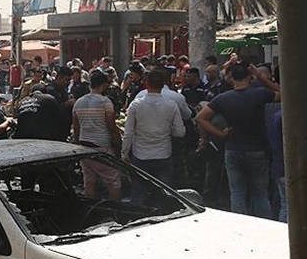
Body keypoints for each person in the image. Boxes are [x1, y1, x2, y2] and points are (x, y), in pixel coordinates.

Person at [195, 63, 279, 218]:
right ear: (249, 77)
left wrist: (220, 134)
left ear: (231, 78)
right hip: (257, 148)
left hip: (232, 147)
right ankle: (264, 224)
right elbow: (283, 93)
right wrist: (261, 77)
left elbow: (201, 118)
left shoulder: (222, 99)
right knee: (260, 193)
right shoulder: (260, 94)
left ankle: (240, 223)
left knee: (237, 192)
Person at [122, 69, 186, 205]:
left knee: (138, 193)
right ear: (163, 85)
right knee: (164, 195)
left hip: (140, 155)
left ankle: (136, 222)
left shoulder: (136, 105)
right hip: (163, 155)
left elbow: (128, 133)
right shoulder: (171, 105)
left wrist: (124, 153)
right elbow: (180, 132)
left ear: (146, 84)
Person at [73, 68, 121, 200]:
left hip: (84, 149)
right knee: (113, 181)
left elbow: (76, 128)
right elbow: (111, 127)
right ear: (104, 85)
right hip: (102, 148)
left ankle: (93, 211)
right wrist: (119, 146)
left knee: (89, 182)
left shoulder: (78, 102)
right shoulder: (105, 102)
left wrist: (77, 146)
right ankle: (116, 211)